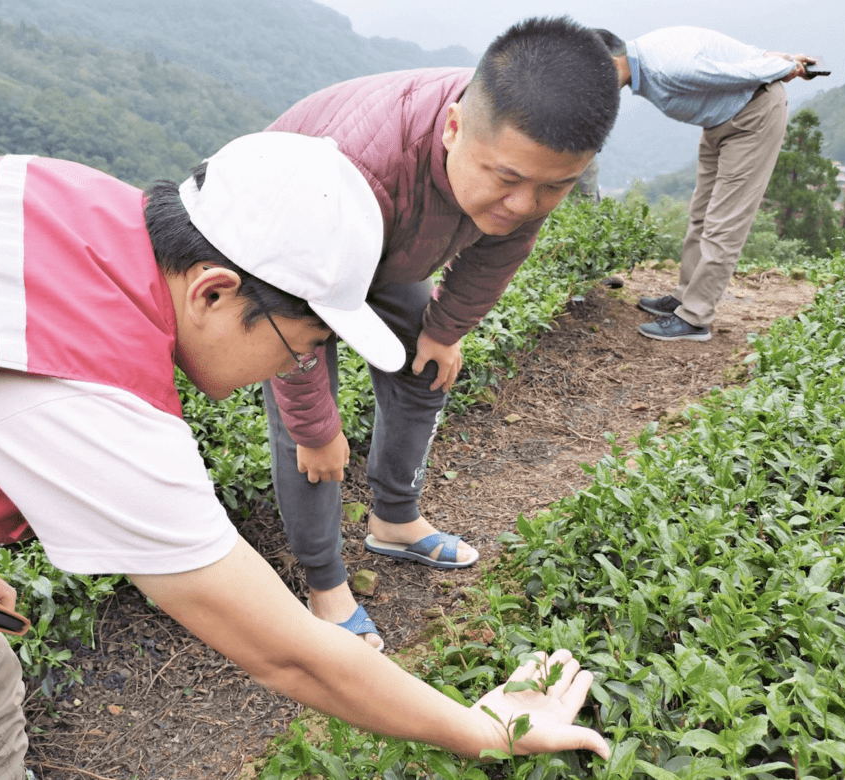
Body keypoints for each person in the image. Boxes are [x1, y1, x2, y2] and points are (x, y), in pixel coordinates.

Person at [0, 132, 610, 780]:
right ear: (217, 290)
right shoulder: (82, 387)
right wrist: (485, 730)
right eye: (300, 344)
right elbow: (287, 654)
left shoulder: (69, 200)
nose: (298, 367)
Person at [261, 16, 620, 650]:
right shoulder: (356, 168)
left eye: (552, 188)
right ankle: (324, 587)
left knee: (427, 367)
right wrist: (316, 428)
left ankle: (393, 521)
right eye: (505, 180)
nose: (521, 204)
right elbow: (288, 308)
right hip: (294, 259)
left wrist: (446, 328)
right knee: (310, 436)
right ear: (452, 127)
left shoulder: (518, 153)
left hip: (393, 246)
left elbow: (498, 248)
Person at [592, 27, 816, 342]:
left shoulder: (667, 66)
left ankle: (695, 317)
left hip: (752, 118)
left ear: (612, 63)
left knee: (725, 222)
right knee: (701, 212)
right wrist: (775, 57)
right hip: (718, 121)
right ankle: (685, 295)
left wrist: (785, 66)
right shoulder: (650, 54)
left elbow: (740, 71)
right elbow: (728, 52)